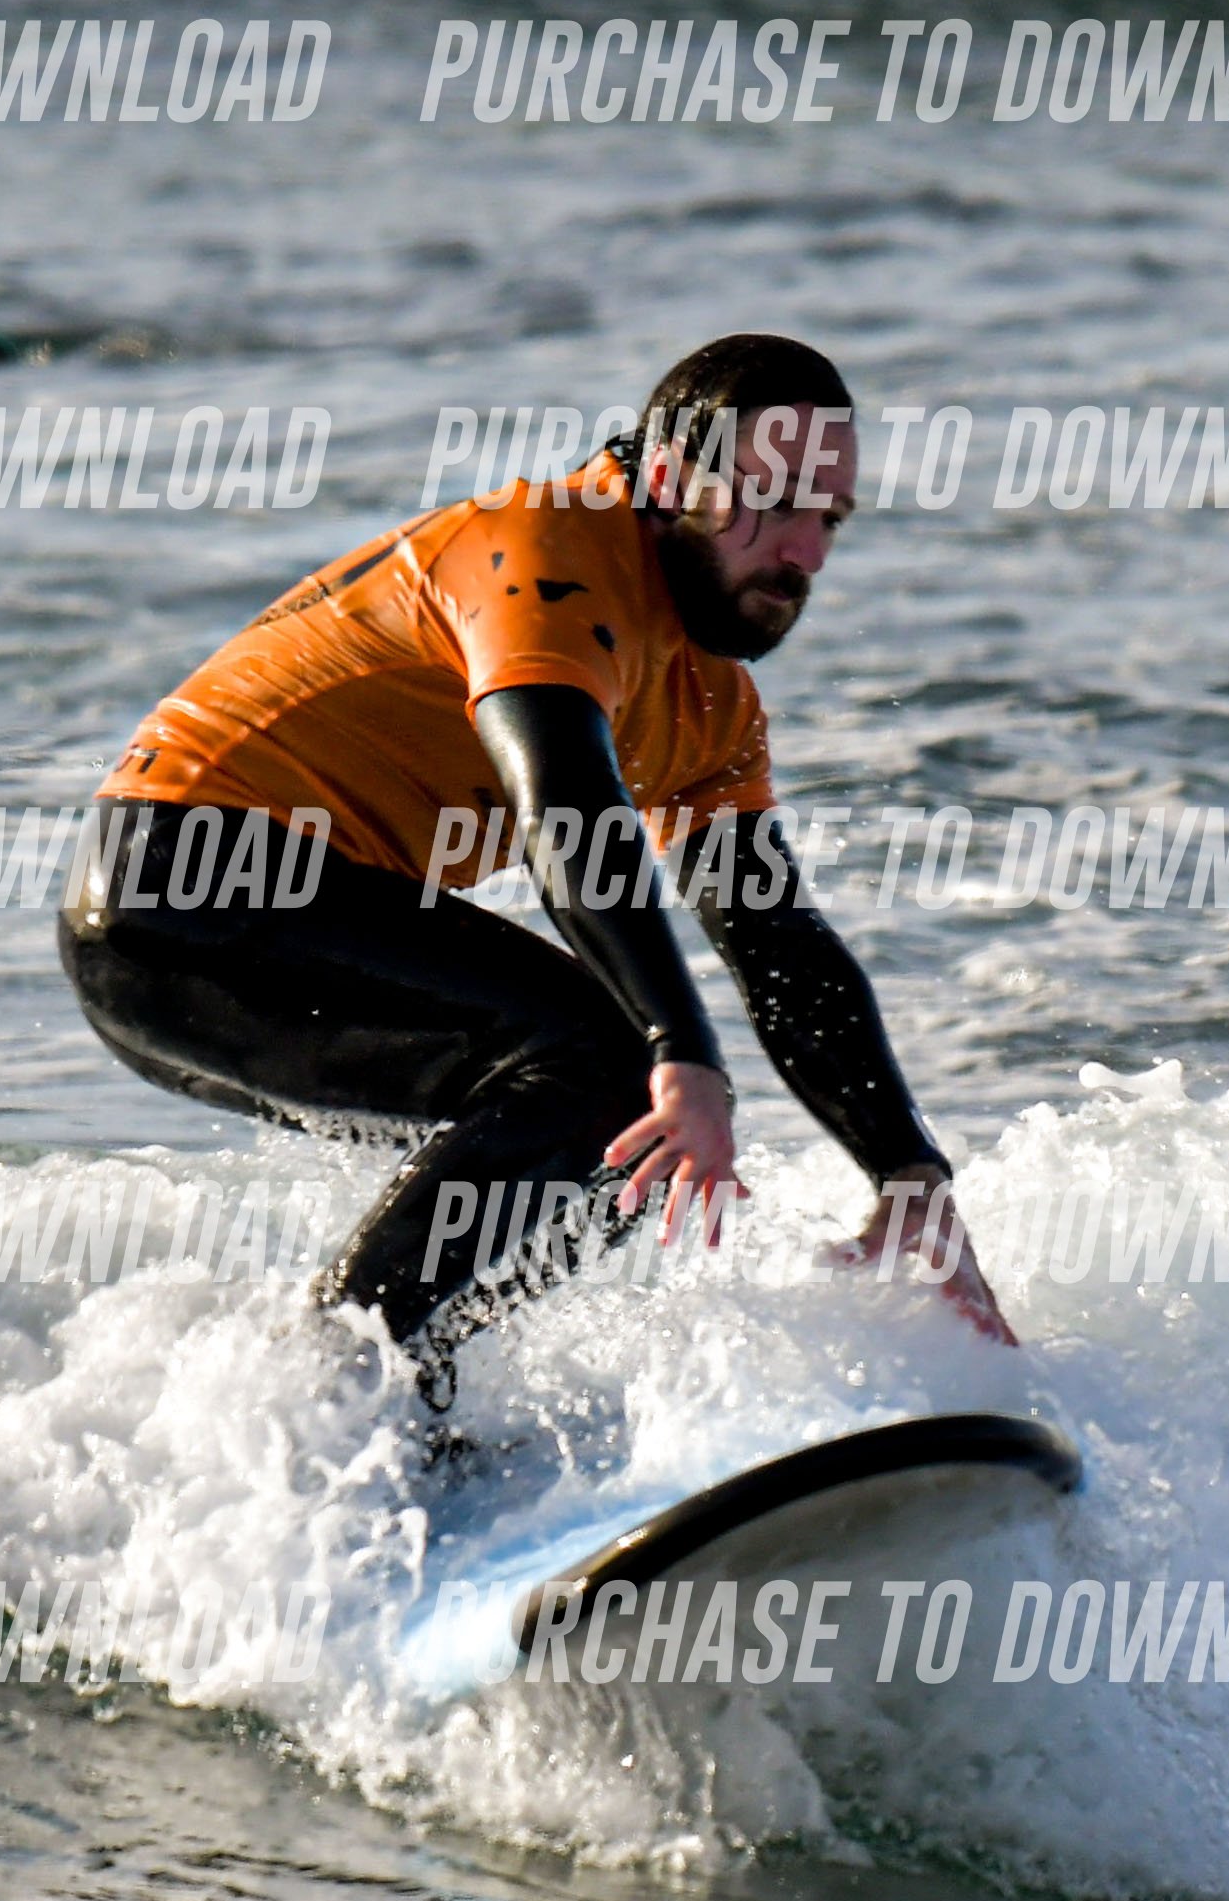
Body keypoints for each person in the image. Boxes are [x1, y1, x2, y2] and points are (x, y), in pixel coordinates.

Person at [65, 332, 1012, 1408]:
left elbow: (774, 939)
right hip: (183, 883)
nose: (806, 552)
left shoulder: (708, 703)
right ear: (670, 477)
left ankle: (399, 1409)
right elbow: (566, 807)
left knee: (620, 1138)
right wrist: (682, 1054)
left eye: (830, 518)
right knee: (614, 1073)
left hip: (227, 935)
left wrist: (907, 1175)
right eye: (774, 500)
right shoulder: (549, 550)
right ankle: (327, 1380)